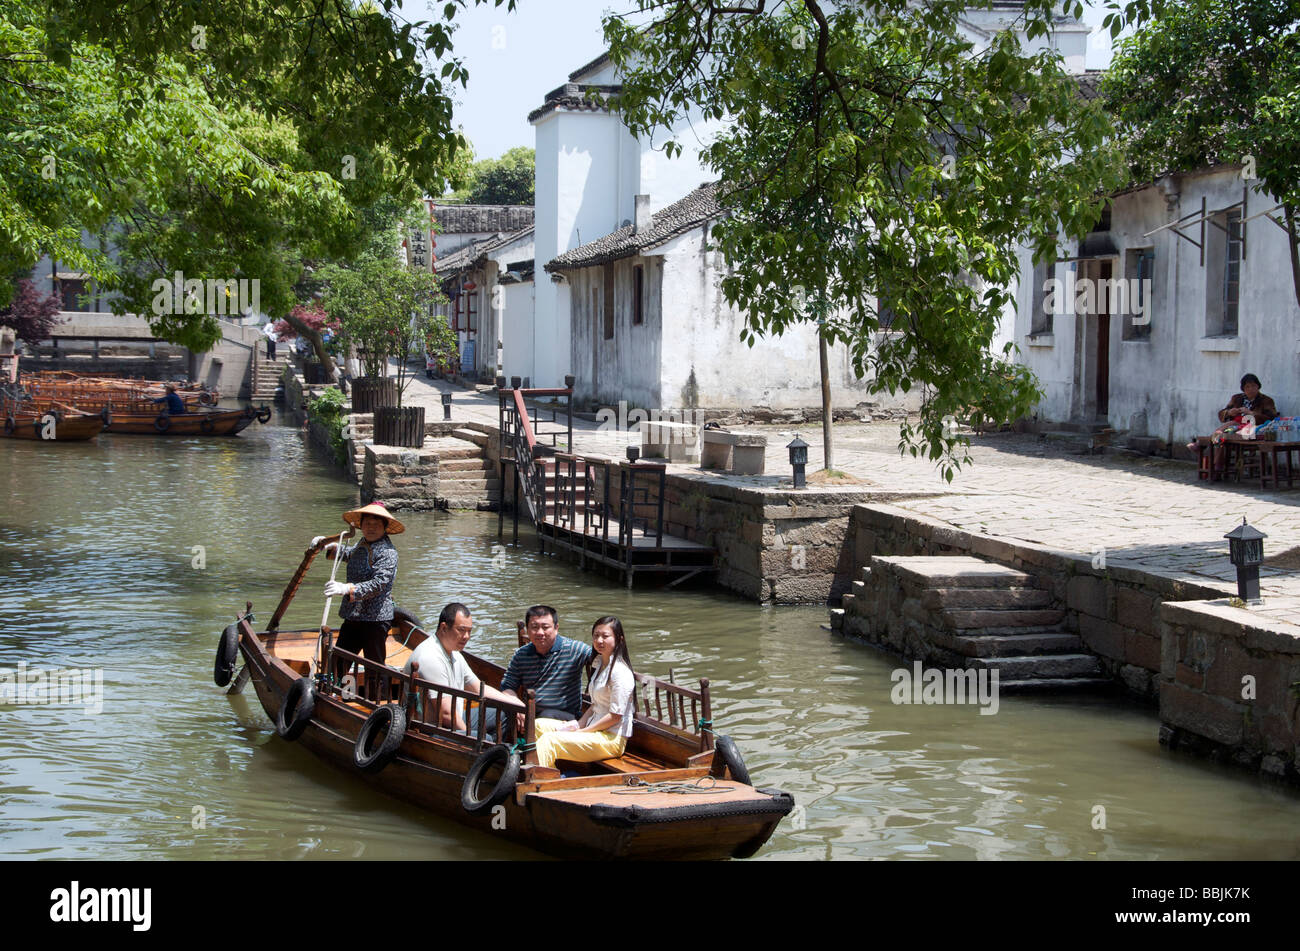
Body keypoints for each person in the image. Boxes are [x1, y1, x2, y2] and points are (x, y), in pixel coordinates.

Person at [311, 501, 402, 684]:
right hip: (354, 615)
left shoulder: (387, 552)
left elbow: (379, 584)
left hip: (375, 619)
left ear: (385, 527)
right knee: (340, 660)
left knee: (374, 666)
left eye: (376, 525)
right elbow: (351, 555)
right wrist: (330, 546)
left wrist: (347, 588)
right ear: (361, 525)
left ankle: (379, 703)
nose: (371, 528)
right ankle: (344, 694)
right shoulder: (363, 543)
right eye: (367, 524)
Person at [533, 616, 636, 771]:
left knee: (550, 740)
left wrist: (583, 732)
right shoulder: (600, 663)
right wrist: (578, 725)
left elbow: (616, 716)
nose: (599, 640)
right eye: (596, 636)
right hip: (593, 730)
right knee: (537, 725)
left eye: (605, 636)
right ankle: (548, 770)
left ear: (619, 639)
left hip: (610, 739)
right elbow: (596, 705)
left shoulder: (620, 673)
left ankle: (541, 781)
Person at [402, 603, 521, 732]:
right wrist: (471, 739)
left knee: (505, 713)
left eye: (469, 631)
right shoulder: (430, 657)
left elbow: (478, 687)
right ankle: (492, 748)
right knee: (484, 740)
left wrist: (514, 703)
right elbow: (446, 715)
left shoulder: (455, 654)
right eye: (461, 630)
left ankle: (496, 748)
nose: (466, 637)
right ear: (443, 628)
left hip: (457, 716)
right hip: (432, 729)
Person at [500, 606, 593, 723]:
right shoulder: (521, 654)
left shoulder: (574, 649)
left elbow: (601, 657)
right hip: (529, 713)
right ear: (528, 630)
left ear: (556, 628)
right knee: (498, 713)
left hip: (565, 718)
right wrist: (517, 705)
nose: (540, 632)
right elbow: (507, 687)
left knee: (546, 715)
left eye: (545, 627)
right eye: (534, 627)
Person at [1187, 373, 1280, 476]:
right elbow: (1222, 413)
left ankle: (1203, 446)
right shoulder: (1237, 398)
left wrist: (1251, 413)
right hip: (1235, 429)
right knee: (1220, 437)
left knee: (1230, 426)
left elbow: (1271, 418)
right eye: (1247, 387)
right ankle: (1217, 466)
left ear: (1258, 386)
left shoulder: (1266, 400)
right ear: (1243, 389)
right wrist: (1229, 412)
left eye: (1253, 386)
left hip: (1253, 430)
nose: (1251, 389)